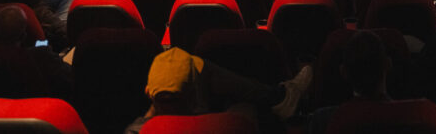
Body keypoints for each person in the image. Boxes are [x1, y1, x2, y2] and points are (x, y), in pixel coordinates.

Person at [125, 45, 312, 133]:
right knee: (242, 103)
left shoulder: (136, 130)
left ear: (148, 91)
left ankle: (281, 97)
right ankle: (281, 98)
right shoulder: (230, 126)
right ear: (193, 95)